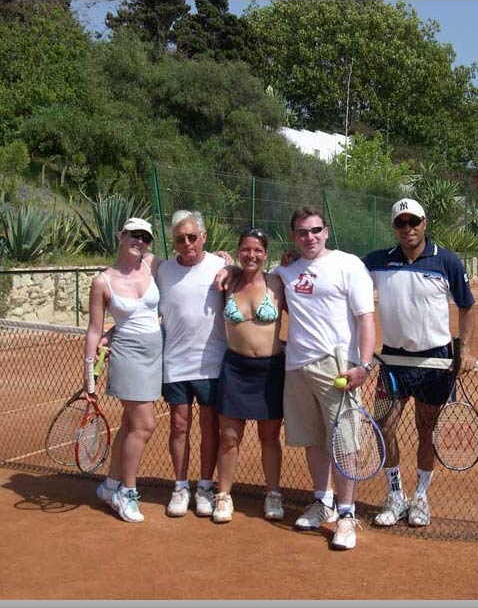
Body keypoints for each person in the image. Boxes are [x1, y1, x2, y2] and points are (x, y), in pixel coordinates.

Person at [363, 198, 477, 528]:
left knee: (426, 429)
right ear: (394, 227)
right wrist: (293, 259)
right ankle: (395, 494)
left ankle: (421, 497)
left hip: (435, 363)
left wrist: (465, 349)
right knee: (384, 428)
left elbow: (467, 307)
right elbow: (338, 269)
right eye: (401, 223)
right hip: (393, 361)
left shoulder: (447, 262)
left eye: (414, 222)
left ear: (424, 223)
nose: (408, 229)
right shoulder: (378, 261)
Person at [272, 206, 376, 550]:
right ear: (293, 236)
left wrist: (363, 365)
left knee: (344, 446)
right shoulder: (286, 269)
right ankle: (323, 502)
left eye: (315, 230)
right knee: (314, 440)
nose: (310, 237)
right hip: (296, 367)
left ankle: (346, 516)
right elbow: (256, 278)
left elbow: (365, 319)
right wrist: (225, 264)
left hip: (337, 369)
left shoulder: (348, 265)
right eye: (302, 232)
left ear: (326, 231)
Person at [88, 217, 162, 523]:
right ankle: (127, 493)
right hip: (127, 355)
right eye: (134, 235)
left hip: (155, 352)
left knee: (129, 424)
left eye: (145, 237)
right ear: (121, 236)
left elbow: (191, 260)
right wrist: (88, 376)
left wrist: (224, 260)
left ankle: (110, 485)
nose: (139, 241)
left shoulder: (153, 264)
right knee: (144, 426)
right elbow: (94, 330)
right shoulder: (102, 281)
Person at [211, 227, 287, 524]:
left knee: (269, 437)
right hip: (235, 368)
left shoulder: (278, 283)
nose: (251, 255)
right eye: (245, 249)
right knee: (229, 437)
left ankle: (273, 494)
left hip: (270, 371)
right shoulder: (227, 281)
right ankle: (223, 496)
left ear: (266, 254)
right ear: (238, 251)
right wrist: (224, 263)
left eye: (257, 250)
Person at [157, 210, 229, 519]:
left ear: (203, 237)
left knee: (209, 427)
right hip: (174, 363)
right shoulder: (161, 270)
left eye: (192, 237)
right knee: (179, 425)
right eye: (179, 239)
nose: (186, 243)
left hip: (212, 364)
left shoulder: (221, 265)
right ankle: (180, 486)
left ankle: (204, 488)